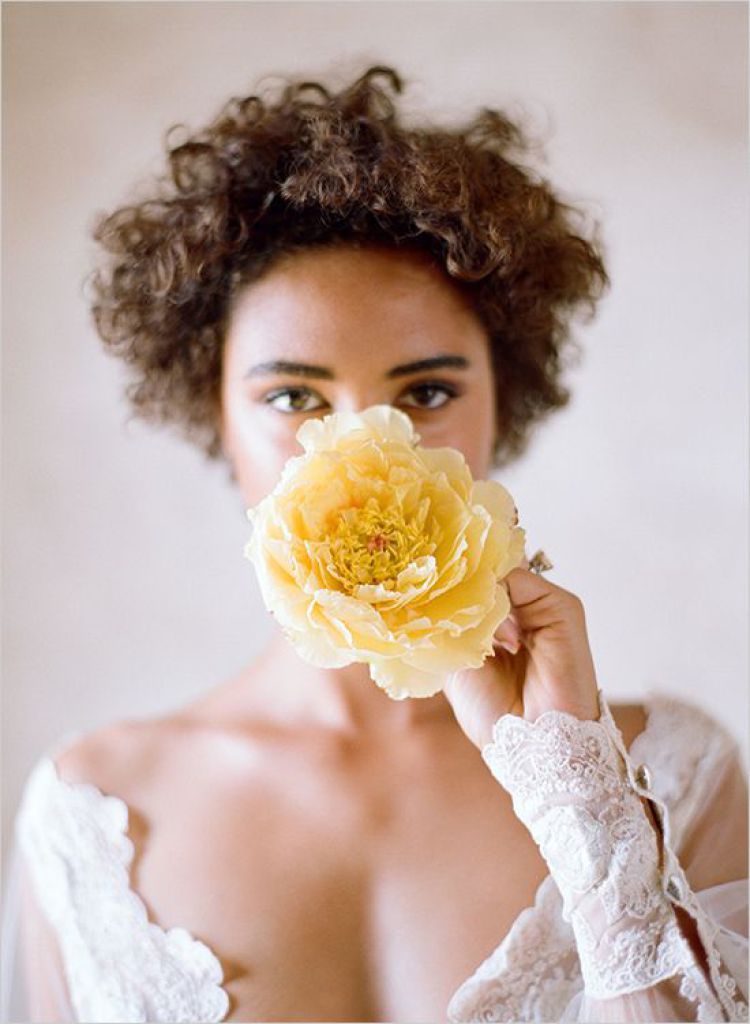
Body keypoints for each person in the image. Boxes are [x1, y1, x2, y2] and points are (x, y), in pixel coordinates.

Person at [1, 65, 747, 1023]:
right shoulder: (90, 813)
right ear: (215, 417)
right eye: (293, 398)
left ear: (500, 407)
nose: (360, 447)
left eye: (426, 394)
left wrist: (579, 793)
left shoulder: (677, 774)